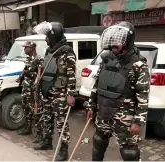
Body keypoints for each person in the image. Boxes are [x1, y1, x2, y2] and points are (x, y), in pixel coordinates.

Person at [86, 21, 150, 161]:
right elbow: (97, 85)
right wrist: (91, 105)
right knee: (98, 142)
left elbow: (143, 96)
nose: (114, 43)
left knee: (129, 152)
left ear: (127, 41)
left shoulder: (138, 65)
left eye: (118, 40)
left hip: (124, 116)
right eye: (113, 39)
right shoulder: (106, 60)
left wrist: (138, 122)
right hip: (103, 111)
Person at [33, 21, 77, 161]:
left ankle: (63, 151)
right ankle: (47, 142)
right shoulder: (49, 51)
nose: (45, 39)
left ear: (54, 36)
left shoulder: (67, 53)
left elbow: (71, 75)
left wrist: (70, 94)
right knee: (47, 118)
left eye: (47, 36)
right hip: (47, 91)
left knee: (61, 123)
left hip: (60, 93)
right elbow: (44, 68)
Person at [15, 41, 44, 142]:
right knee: (26, 110)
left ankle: (40, 135)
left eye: (26, 47)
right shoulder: (28, 59)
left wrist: (29, 74)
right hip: (26, 89)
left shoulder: (39, 59)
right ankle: (28, 128)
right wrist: (21, 77)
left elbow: (40, 76)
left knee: (36, 112)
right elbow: (25, 71)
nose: (24, 49)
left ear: (31, 48)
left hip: (33, 90)